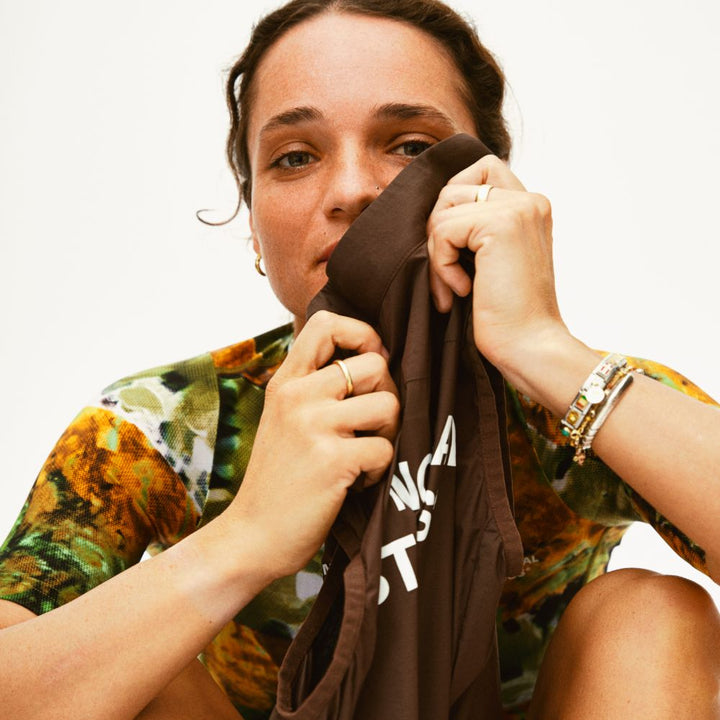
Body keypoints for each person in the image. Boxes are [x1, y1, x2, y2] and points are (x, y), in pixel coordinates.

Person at [0, 1, 719, 718]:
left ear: (493, 187)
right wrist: (247, 536)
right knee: (128, 669)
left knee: (651, 612)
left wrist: (541, 348)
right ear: (254, 224)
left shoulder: (569, 400)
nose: (352, 191)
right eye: (295, 157)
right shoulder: (170, 425)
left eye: (409, 147)